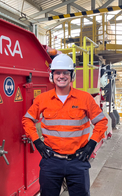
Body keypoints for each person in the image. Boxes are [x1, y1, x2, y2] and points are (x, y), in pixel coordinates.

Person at [22, 54, 108, 196]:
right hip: (51, 161)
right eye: (57, 72)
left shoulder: (84, 98)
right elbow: (27, 120)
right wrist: (37, 142)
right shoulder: (42, 99)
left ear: (72, 75)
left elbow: (101, 121)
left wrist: (91, 145)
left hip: (77, 161)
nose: (61, 76)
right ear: (52, 76)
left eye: (65, 72)